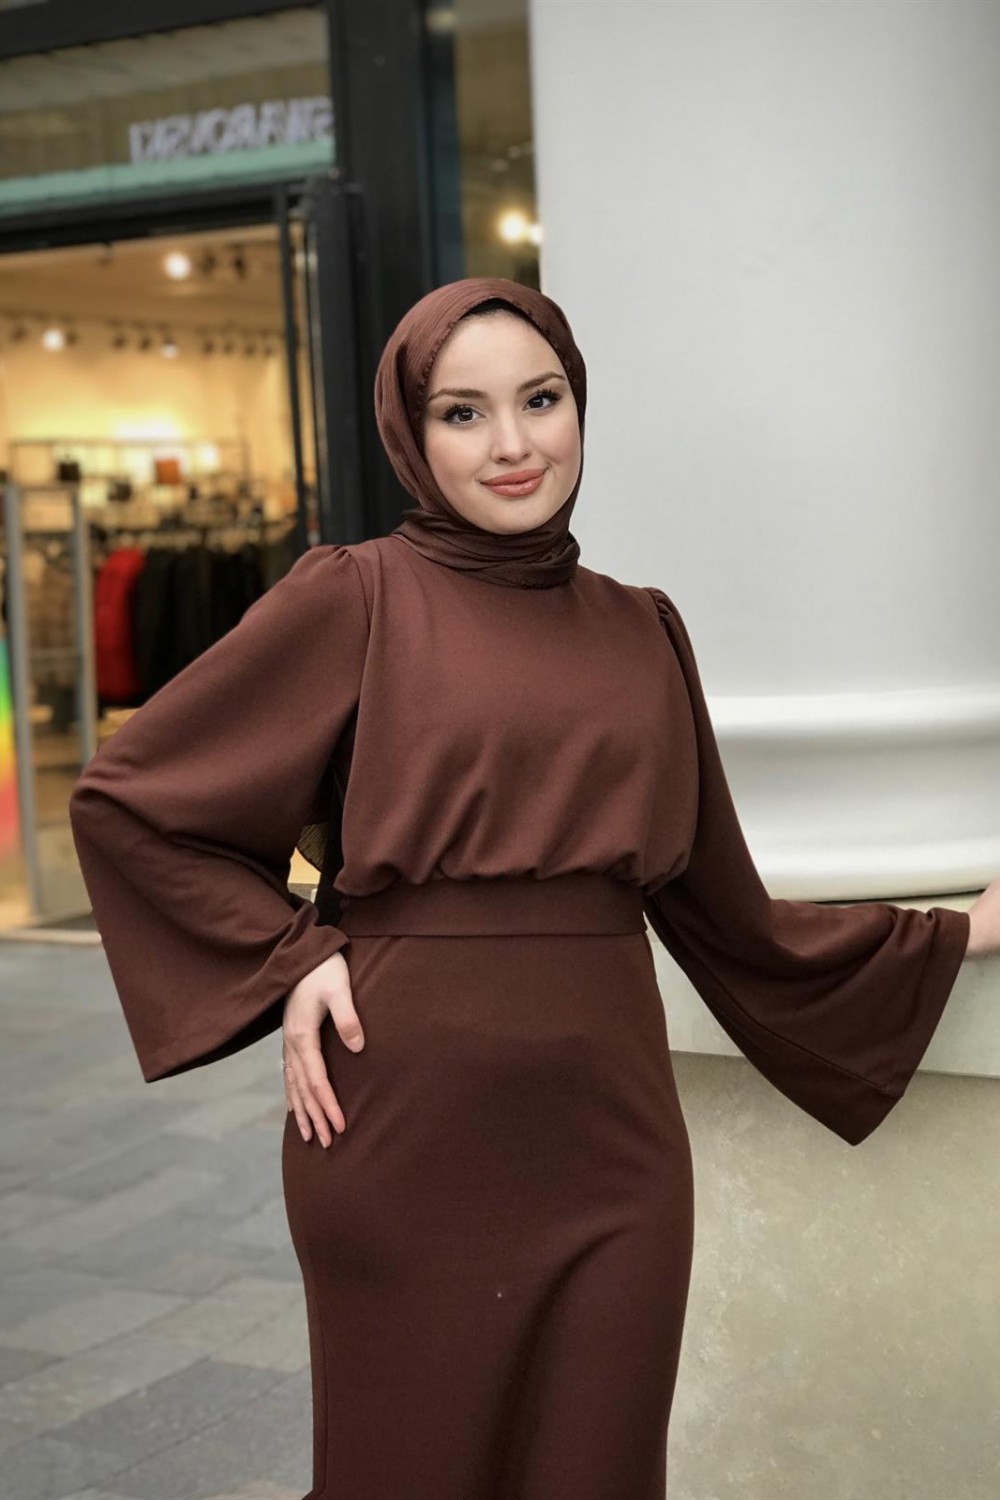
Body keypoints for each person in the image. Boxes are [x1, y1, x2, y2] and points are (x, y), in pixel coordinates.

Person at [68, 277, 998, 1499]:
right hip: (402, 1133)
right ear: (411, 432)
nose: (512, 444)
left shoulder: (642, 629)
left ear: (578, 406)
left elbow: (726, 913)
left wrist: (959, 931)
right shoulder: (353, 596)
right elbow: (133, 803)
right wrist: (291, 958)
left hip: (615, 1153)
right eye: (462, 413)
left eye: (540, 400)